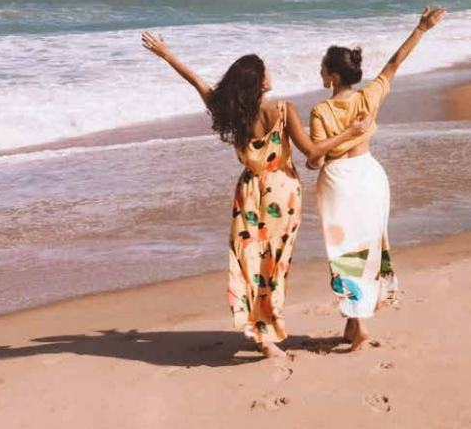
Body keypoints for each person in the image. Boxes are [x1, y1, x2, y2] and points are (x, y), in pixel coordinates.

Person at [141, 31, 371, 358]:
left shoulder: (231, 112)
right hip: (282, 194)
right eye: (265, 70)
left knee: (249, 262)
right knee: (274, 265)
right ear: (260, 82)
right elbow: (311, 151)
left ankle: (261, 334)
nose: (270, 73)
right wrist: (351, 132)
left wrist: (167, 55)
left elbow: (197, 82)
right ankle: (266, 333)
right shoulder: (283, 111)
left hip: (248, 194)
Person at [307, 6, 447, 350]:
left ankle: (359, 323)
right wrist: (422, 28)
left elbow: (317, 157)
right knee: (368, 249)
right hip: (370, 175)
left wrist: (325, 151)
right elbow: (394, 63)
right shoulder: (368, 97)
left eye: (323, 68)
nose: (320, 71)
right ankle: (353, 322)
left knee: (344, 253)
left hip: (339, 182)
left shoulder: (321, 111)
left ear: (333, 76)